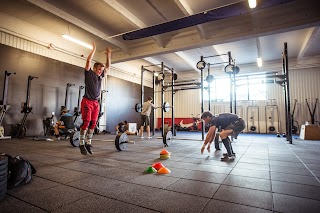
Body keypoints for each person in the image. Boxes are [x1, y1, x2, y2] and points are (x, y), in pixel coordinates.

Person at [79, 41, 111, 155]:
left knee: (93, 123)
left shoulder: (100, 76)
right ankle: (81, 143)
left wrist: (108, 55)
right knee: (86, 122)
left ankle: (88, 143)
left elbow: (108, 67)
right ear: (94, 68)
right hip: (87, 101)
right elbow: (88, 61)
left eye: (101, 71)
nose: (101, 72)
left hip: (96, 103)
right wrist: (94, 49)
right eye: (99, 69)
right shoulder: (89, 74)